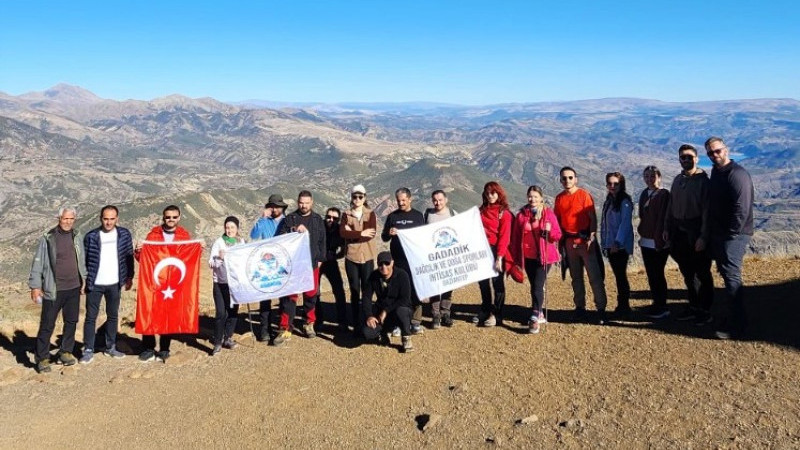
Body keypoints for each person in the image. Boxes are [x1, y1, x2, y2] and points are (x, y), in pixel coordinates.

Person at [705, 137, 754, 340]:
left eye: (717, 151)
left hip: (734, 235)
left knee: (732, 277)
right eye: (710, 153)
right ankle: (732, 316)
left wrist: (731, 233)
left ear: (726, 149)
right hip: (720, 233)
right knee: (726, 274)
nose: (715, 155)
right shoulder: (717, 172)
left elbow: (741, 208)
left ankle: (738, 325)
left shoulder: (737, 174)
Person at [29, 207, 87, 373]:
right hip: (53, 289)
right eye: (65, 218)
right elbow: (38, 262)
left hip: (74, 287)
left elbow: (80, 260)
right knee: (47, 324)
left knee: (71, 321)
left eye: (71, 219)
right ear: (59, 218)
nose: (68, 222)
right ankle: (42, 358)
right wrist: (35, 286)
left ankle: (65, 352)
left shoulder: (77, 236)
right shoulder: (48, 238)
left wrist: (84, 280)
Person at [135, 205, 193, 362]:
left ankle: (164, 348)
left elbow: (189, 259)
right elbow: (143, 260)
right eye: (168, 217)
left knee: (168, 315)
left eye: (174, 217)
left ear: (179, 218)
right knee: (149, 312)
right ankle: (148, 348)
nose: (171, 220)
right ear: (163, 217)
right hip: (154, 282)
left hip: (173, 283)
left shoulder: (184, 236)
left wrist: (198, 249)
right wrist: (139, 250)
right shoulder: (153, 235)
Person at [664, 144, 714, 325]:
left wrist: (704, 237)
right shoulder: (678, 180)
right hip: (678, 232)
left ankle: (705, 310)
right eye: (682, 157)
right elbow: (671, 206)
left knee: (702, 272)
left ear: (697, 158)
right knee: (687, 273)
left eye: (689, 157)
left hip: (696, 232)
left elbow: (708, 212)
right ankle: (693, 306)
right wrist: (666, 228)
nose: (686, 160)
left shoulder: (703, 182)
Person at [80, 205, 134, 364]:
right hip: (95, 283)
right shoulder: (91, 236)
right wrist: (83, 281)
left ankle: (110, 346)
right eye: (106, 219)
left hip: (115, 283)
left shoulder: (124, 234)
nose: (109, 222)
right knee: (91, 317)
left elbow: (129, 256)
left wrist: (130, 276)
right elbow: (84, 261)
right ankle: (88, 349)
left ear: (117, 219)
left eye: (112, 219)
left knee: (113, 316)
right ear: (100, 219)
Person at [554, 166, 608, 324]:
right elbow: (558, 221)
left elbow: (592, 217)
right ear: (560, 180)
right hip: (569, 243)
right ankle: (580, 308)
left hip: (585, 241)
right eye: (564, 178)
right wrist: (559, 243)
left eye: (570, 177)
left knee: (595, 277)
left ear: (575, 179)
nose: (567, 181)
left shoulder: (584, 195)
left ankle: (601, 309)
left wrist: (592, 236)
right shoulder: (559, 198)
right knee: (576, 277)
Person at [273, 190, 326, 346]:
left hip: (311, 264)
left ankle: (308, 323)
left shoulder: (317, 220)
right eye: (301, 202)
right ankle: (285, 328)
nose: (304, 205)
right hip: (294, 266)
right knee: (289, 298)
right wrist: (293, 230)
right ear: (298, 202)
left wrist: (321, 259)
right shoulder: (290, 219)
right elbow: (280, 237)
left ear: (312, 203)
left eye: (307, 203)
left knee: (311, 295)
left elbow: (322, 241)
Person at [510, 186, 562, 334]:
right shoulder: (522, 215)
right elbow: (515, 237)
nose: (532, 199)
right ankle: (538, 311)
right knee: (534, 285)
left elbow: (557, 235)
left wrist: (549, 231)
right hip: (528, 256)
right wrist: (515, 256)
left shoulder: (548, 214)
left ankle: (535, 316)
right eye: (530, 196)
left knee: (538, 285)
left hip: (545, 256)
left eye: (535, 196)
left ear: (541, 198)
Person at [381, 187, 425, 334]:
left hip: (414, 260)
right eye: (399, 200)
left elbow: (424, 237)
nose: (401, 203)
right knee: (398, 292)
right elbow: (384, 237)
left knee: (416, 290)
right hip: (398, 261)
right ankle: (398, 322)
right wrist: (389, 233)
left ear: (410, 199)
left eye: (404, 200)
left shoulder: (418, 216)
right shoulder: (392, 216)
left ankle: (416, 321)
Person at [339, 184, 378, 335]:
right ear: (351, 198)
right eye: (355, 196)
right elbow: (343, 233)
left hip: (367, 257)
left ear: (365, 198)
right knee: (354, 291)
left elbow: (372, 233)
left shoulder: (371, 214)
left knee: (367, 291)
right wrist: (361, 233)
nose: (357, 199)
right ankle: (355, 321)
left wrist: (353, 232)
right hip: (352, 258)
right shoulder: (346, 214)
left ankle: (367, 319)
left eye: (360, 196)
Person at [250, 193, 287, 342]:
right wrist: (262, 218)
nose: (275, 209)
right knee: (265, 299)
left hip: (282, 264)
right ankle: (264, 330)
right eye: (272, 206)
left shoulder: (287, 221)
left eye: (277, 206)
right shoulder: (264, 222)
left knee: (283, 299)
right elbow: (254, 235)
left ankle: (281, 328)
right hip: (266, 264)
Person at [361, 251, 415, 352]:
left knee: (402, 311)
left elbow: (405, 299)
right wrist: (369, 316)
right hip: (381, 311)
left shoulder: (402, 275)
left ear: (392, 263)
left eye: (387, 263)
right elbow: (366, 297)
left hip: (398, 309)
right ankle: (383, 333)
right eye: (380, 264)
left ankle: (406, 337)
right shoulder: (374, 276)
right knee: (367, 332)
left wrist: (386, 311)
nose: (384, 267)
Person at [476, 181, 513, 327]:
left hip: (496, 249)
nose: (490, 195)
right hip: (481, 249)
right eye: (487, 192)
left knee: (497, 283)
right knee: (483, 281)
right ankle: (486, 308)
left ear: (499, 193)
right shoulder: (481, 210)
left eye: (493, 192)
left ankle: (497, 314)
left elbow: (505, 237)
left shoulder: (504, 213)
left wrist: (499, 257)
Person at [638, 166, 671, 319]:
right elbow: (641, 214)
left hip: (659, 242)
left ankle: (662, 306)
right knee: (651, 274)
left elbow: (665, 217)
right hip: (646, 240)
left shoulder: (664, 194)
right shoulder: (644, 193)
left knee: (658, 273)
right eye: (647, 176)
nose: (649, 179)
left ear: (659, 177)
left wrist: (660, 238)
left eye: (652, 176)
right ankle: (656, 303)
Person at [209, 216, 245, 355]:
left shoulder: (240, 242)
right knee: (220, 313)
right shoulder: (219, 242)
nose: (229, 230)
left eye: (232, 228)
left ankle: (228, 337)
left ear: (237, 229)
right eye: (227, 227)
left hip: (235, 283)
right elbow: (211, 263)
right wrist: (219, 258)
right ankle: (217, 341)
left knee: (233, 312)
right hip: (220, 283)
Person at [600, 173, 634, 318]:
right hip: (611, 244)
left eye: (616, 184)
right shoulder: (609, 200)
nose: (612, 186)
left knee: (620, 276)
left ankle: (624, 306)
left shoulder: (624, 202)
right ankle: (622, 305)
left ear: (622, 185)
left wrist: (617, 242)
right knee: (618, 275)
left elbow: (625, 223)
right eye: (609, 183)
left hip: (619, 246)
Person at [423, 189, 457, 329]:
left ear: (446, 200)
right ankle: (435, 314)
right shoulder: (428, 214)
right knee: (434, 286)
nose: (438, 202)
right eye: (435, 200)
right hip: (433, 256)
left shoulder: (453, 214)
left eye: (440, 200)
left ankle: (445, 312)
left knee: (448, 285)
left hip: (449, 256)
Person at [319, 207, 347, 331]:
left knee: (339, 291)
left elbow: (344, 248)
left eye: (335, 218)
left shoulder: (340, 231)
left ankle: (342, 320)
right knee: (314, 292)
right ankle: (317, 320)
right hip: (318, 262)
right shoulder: (319, 227)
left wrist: (336, 256)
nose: (331, 220)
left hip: (331, 262)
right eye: (329, 217)